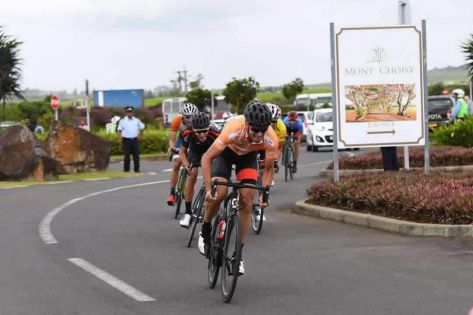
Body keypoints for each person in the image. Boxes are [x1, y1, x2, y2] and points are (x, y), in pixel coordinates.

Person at [198, 100, 277, 275]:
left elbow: (269, 169)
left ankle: (238, 254)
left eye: (262, 130)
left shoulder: (271, 138)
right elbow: (206, 158)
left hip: (247, 157)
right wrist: (209, 187)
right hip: (226, 154)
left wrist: (265, 192)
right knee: (220, 193)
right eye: (255, 129)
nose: (259, 134)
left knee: (248, 199)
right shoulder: (233, 129)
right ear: (247, 124)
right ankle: (205, 229)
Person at [178, 113, 220, 228]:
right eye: (198, 132)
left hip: (211, 151)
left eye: (204, 131)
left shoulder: (215, 133)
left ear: (208, 129)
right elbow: (182, 152)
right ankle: (187, 213)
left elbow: (223, 152)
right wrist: (186, 165)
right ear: (193, 130)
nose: (202, 134)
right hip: (195, 151)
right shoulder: (188, 133)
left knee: (214, 176)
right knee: (192, 174)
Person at [166, 103, 199, 206]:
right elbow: (172, 140)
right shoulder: (177, 120)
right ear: (183, 116)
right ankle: (172, 193)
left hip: (194, 140)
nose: (190, 119)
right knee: (176, 163)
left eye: (193, 116)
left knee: (192, 170)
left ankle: (189, 194)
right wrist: (172, 148)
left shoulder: (199, 121)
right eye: (188, 117)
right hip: (182, 139)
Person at [117, 106, 145, 172]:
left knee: (136, 155)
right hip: (126, 140)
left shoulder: (136, 120)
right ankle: (126, 170)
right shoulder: (123, 121)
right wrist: (118, 139)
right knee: (127, 155)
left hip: (134, 140)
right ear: (126, 113)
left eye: (131, 112)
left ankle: (137, 169)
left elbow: (142, 127)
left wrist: (141, 135)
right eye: (128, 112)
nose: (130, 113)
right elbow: (119, 130)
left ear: (133, 113)